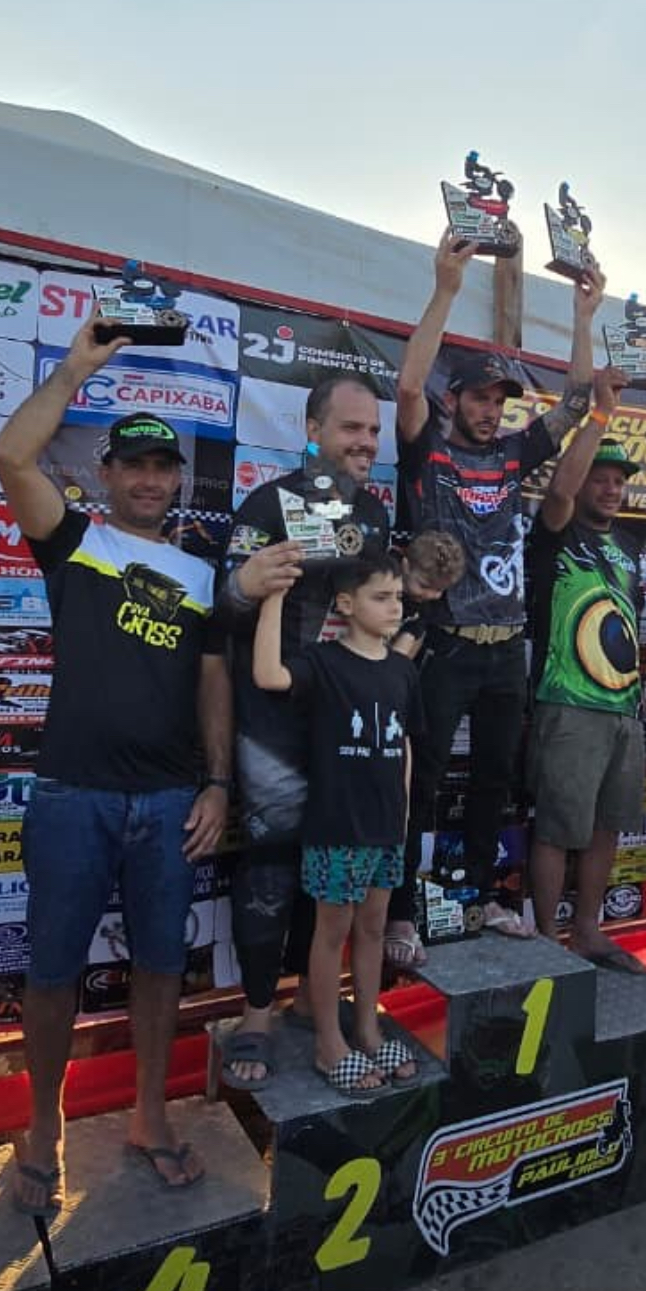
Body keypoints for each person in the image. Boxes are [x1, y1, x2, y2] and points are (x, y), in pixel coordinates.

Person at [0, 313, 232, 1210]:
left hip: (169, 801)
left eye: (162, 466)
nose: (148, 478)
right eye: (133, 464)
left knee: (163, 965)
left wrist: (218, 783)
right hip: (73, 796)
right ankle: (43, 1124)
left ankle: (148, 1117)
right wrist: (72, 371)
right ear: (106, 475)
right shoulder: (76, 541)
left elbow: (214, 685)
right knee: (52, 970)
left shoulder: (204, 573)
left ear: (178, 481)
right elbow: (11, 456)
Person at [393, 228, 598, 950]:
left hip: (507, 649)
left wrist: (583, 316)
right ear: (455, 400)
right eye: (479, 397)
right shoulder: (428, 450)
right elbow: (408, 387)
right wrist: (445, 289)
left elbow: (576, 405)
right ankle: (402, 912)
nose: (491, 409)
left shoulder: (513, 454)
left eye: (500, 400)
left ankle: (478, 900)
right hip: (445, 646)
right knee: (419, 782)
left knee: (493, 782)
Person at [216, 372, 391, 1089]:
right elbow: (221, 610)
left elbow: (382, 617)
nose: (366, 442)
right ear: (312, 430)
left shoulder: (374, 514)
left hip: (347, 728)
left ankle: (314, 1005)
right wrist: (243, 585)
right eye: (352, 428)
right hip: (275, 724)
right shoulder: (266, 504)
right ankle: (256, 1014)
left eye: (373, 430)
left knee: (340, 875)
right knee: (271, 866)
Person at [253, 552, 423, 1095]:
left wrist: (402, 814)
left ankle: (367, 1028)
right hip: (336, 827)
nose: (394, 607)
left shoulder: (403, 669)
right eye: (381, 597)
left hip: (385, 828)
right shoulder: (323, 661)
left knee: (372, 928)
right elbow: (268, 675)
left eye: (398, 597)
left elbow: (404, 744)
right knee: (332, 932)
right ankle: (329, 1043)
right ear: (346, 604)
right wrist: (274, 596)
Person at [526, 367, 646, 969]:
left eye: (618, 481)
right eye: (600, 477)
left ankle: (588, 932)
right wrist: (599, 416)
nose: (610, 489)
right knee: (558, 827)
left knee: (607, 827)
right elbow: (557, 493)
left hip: (622, 708)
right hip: (567, 703)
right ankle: (549, 939)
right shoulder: (557, 528)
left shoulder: (628, 549)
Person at [390, 531, 468, 664]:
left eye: (439, 590)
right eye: (424, 586)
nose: (430, 595)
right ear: (405, 566)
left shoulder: (423, 606)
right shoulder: (382, 579)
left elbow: (406, 644)